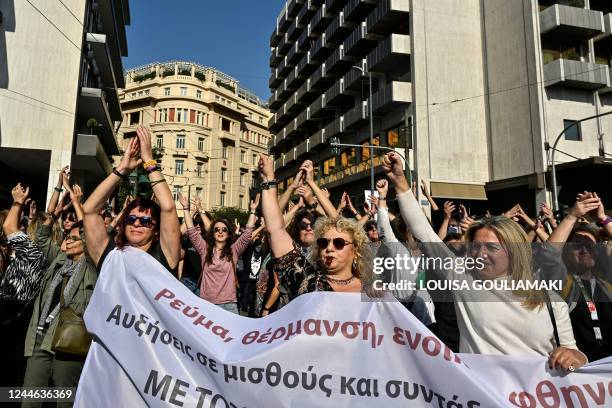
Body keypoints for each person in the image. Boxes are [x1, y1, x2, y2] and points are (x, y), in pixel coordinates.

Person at [383, 151, 587, 372]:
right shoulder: (463, 279)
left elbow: (573, 351)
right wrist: (401, 183)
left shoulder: (550, 298)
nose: (480, 254)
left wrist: (575, 357)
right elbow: (424, 233)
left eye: (491, 247)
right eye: (475, 247)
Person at [21, 182, 97, 407]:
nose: (69, 241)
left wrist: (77, 203)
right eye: (68, 238)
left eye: (75, 238)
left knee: (66, 401)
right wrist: (54, 211)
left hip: (70, 343)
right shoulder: (58, 261)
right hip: (41, 338)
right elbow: (42, 239)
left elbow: (91, 234)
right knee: (29, 400)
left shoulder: (92, 267)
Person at [259, 155, 374, 300]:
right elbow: (275, 229)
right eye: (323, 242)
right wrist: (268, 180)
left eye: (339, 243)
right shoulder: (308, 283)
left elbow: (338, 222)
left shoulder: (373, 293)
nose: (329, 248)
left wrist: (311, 183)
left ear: (356, 250)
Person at [82, 126, 181, 276]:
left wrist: (148, 160)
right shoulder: (110, 255)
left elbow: (168, 207)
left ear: (155, 230)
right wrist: (122, 168)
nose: (136, 223)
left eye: (145, 221)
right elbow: (89, 210)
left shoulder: (165, 256)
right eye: (131, 219)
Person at [180, 193, 258, 314]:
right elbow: (191, 231)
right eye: (216, 229)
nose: (220, 232)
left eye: (224, 229)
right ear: (212, 232)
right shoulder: (204, 249)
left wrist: (253, 211)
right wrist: (185, 208)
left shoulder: (234, 250)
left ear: (228, 233)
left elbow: (247, 234)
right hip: (205, 305)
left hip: (228, 305)